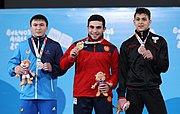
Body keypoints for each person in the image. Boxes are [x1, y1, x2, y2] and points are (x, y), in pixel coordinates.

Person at [7, 14, 66, 114]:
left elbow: (62, 67)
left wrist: (52, 68)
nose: (38, 28)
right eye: (35, 25)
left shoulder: (54, 46)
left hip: (48, 96)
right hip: (27, 95)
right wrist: (15, 68)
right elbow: (11, 64)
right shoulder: (22, 45)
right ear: (30, 27)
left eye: (41, 25)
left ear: (46, 27)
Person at [60, 14, 119, 114]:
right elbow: (62, 66)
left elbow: (117, 72)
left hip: (103, 94)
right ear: (87, 28)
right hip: (81, 94)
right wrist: (71, 57)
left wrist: (109, 85)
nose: (94, 31)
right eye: (91, 27)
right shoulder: (77, 46)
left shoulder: (111, 48)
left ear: (104, 29)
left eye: (98, 27)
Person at [116, 7, 169, 114]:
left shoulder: (160, 42)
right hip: (133, 91)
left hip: (152, 89)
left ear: (150, 21)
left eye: (144, 19)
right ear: (134, 21)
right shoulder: (127, 45)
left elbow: (164, 67)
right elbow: (122, 72)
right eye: (138, 19)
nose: (140, 22)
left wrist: (153, 58)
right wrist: (121, 96)